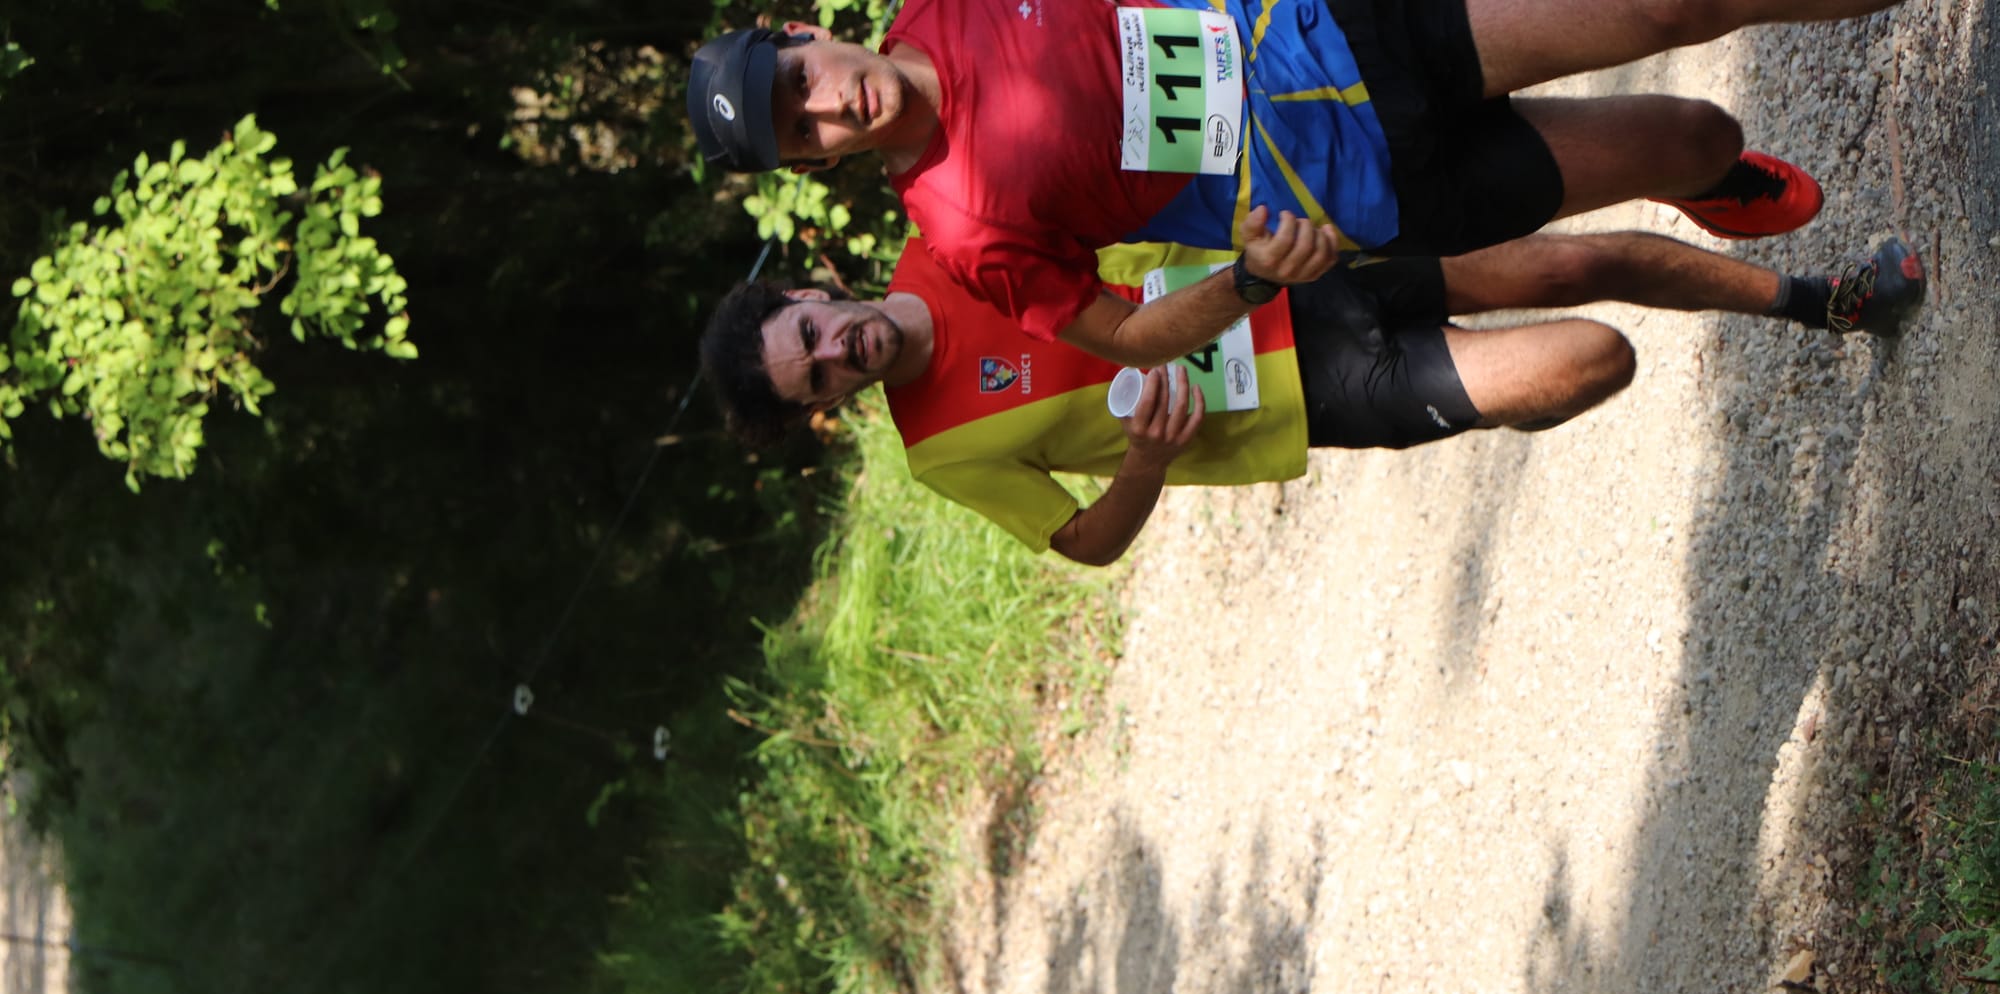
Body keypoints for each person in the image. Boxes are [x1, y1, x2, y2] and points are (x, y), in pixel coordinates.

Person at [686, 0, 1900, 367]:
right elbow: (1129, 338)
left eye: (803, 80)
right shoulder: (959, 232)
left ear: (802, 31)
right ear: (815, 166)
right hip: (1363, 192)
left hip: (1352, 29)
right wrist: (1246, 279)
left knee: (1666, 7)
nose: (830, 105)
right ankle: (1708, 176)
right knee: (1692, 131)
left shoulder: (942, 7)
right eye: (804, 135)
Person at [699, 229, 1924, 565]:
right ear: (826, 406)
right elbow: (1078, 544)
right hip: (1314, 390)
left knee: (1572, 257)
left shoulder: (949, 243)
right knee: (1593, 354)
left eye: (812, 330)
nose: (839, 349)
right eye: (820, 377)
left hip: (1303, 260)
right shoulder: (938, 452)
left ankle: (1821, 299)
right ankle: (1501, 392)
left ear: (809, 287)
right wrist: (1141, 462)